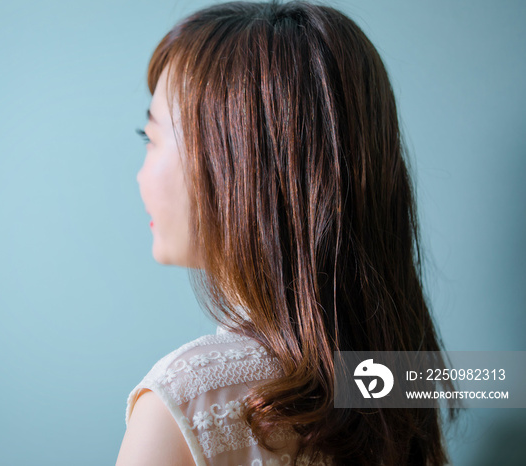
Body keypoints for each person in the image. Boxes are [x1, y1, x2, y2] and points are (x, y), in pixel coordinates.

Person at [116, 2, 455, 465]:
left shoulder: (181, 401)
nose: (139, 177)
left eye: (151, 139)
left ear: (239, 165)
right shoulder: (396, 380)